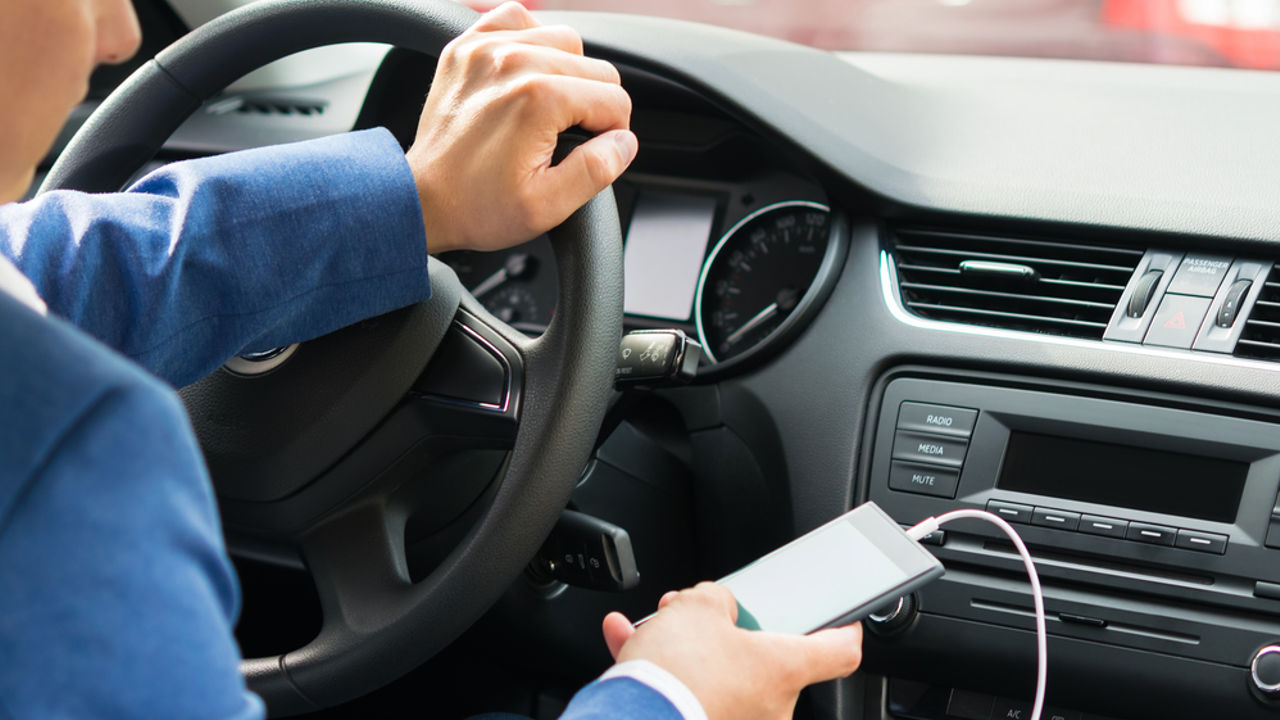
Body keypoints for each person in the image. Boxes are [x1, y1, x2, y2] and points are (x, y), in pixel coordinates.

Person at [0, 1, 863, 718]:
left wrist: (414, 197)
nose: (120, 32)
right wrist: (673, 697)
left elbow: (39, 262)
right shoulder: (70, 451)